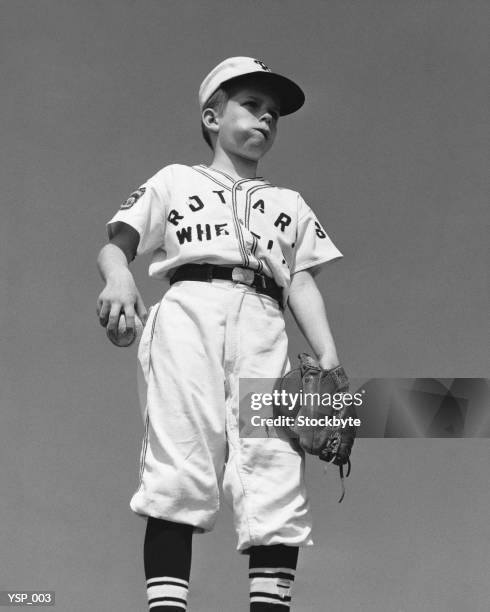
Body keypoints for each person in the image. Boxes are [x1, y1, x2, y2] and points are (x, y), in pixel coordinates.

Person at [96, 56, 344, 612]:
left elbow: (300, 281)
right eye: (251, 106)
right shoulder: (176, 180)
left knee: (276, 475)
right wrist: (117, 276)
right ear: (212, 117)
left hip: (264, 323)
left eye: (273, 114)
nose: (265, 119)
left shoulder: (291, 204)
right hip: (191, 313)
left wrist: (328, 361)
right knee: (180, 465)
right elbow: (118, 242)